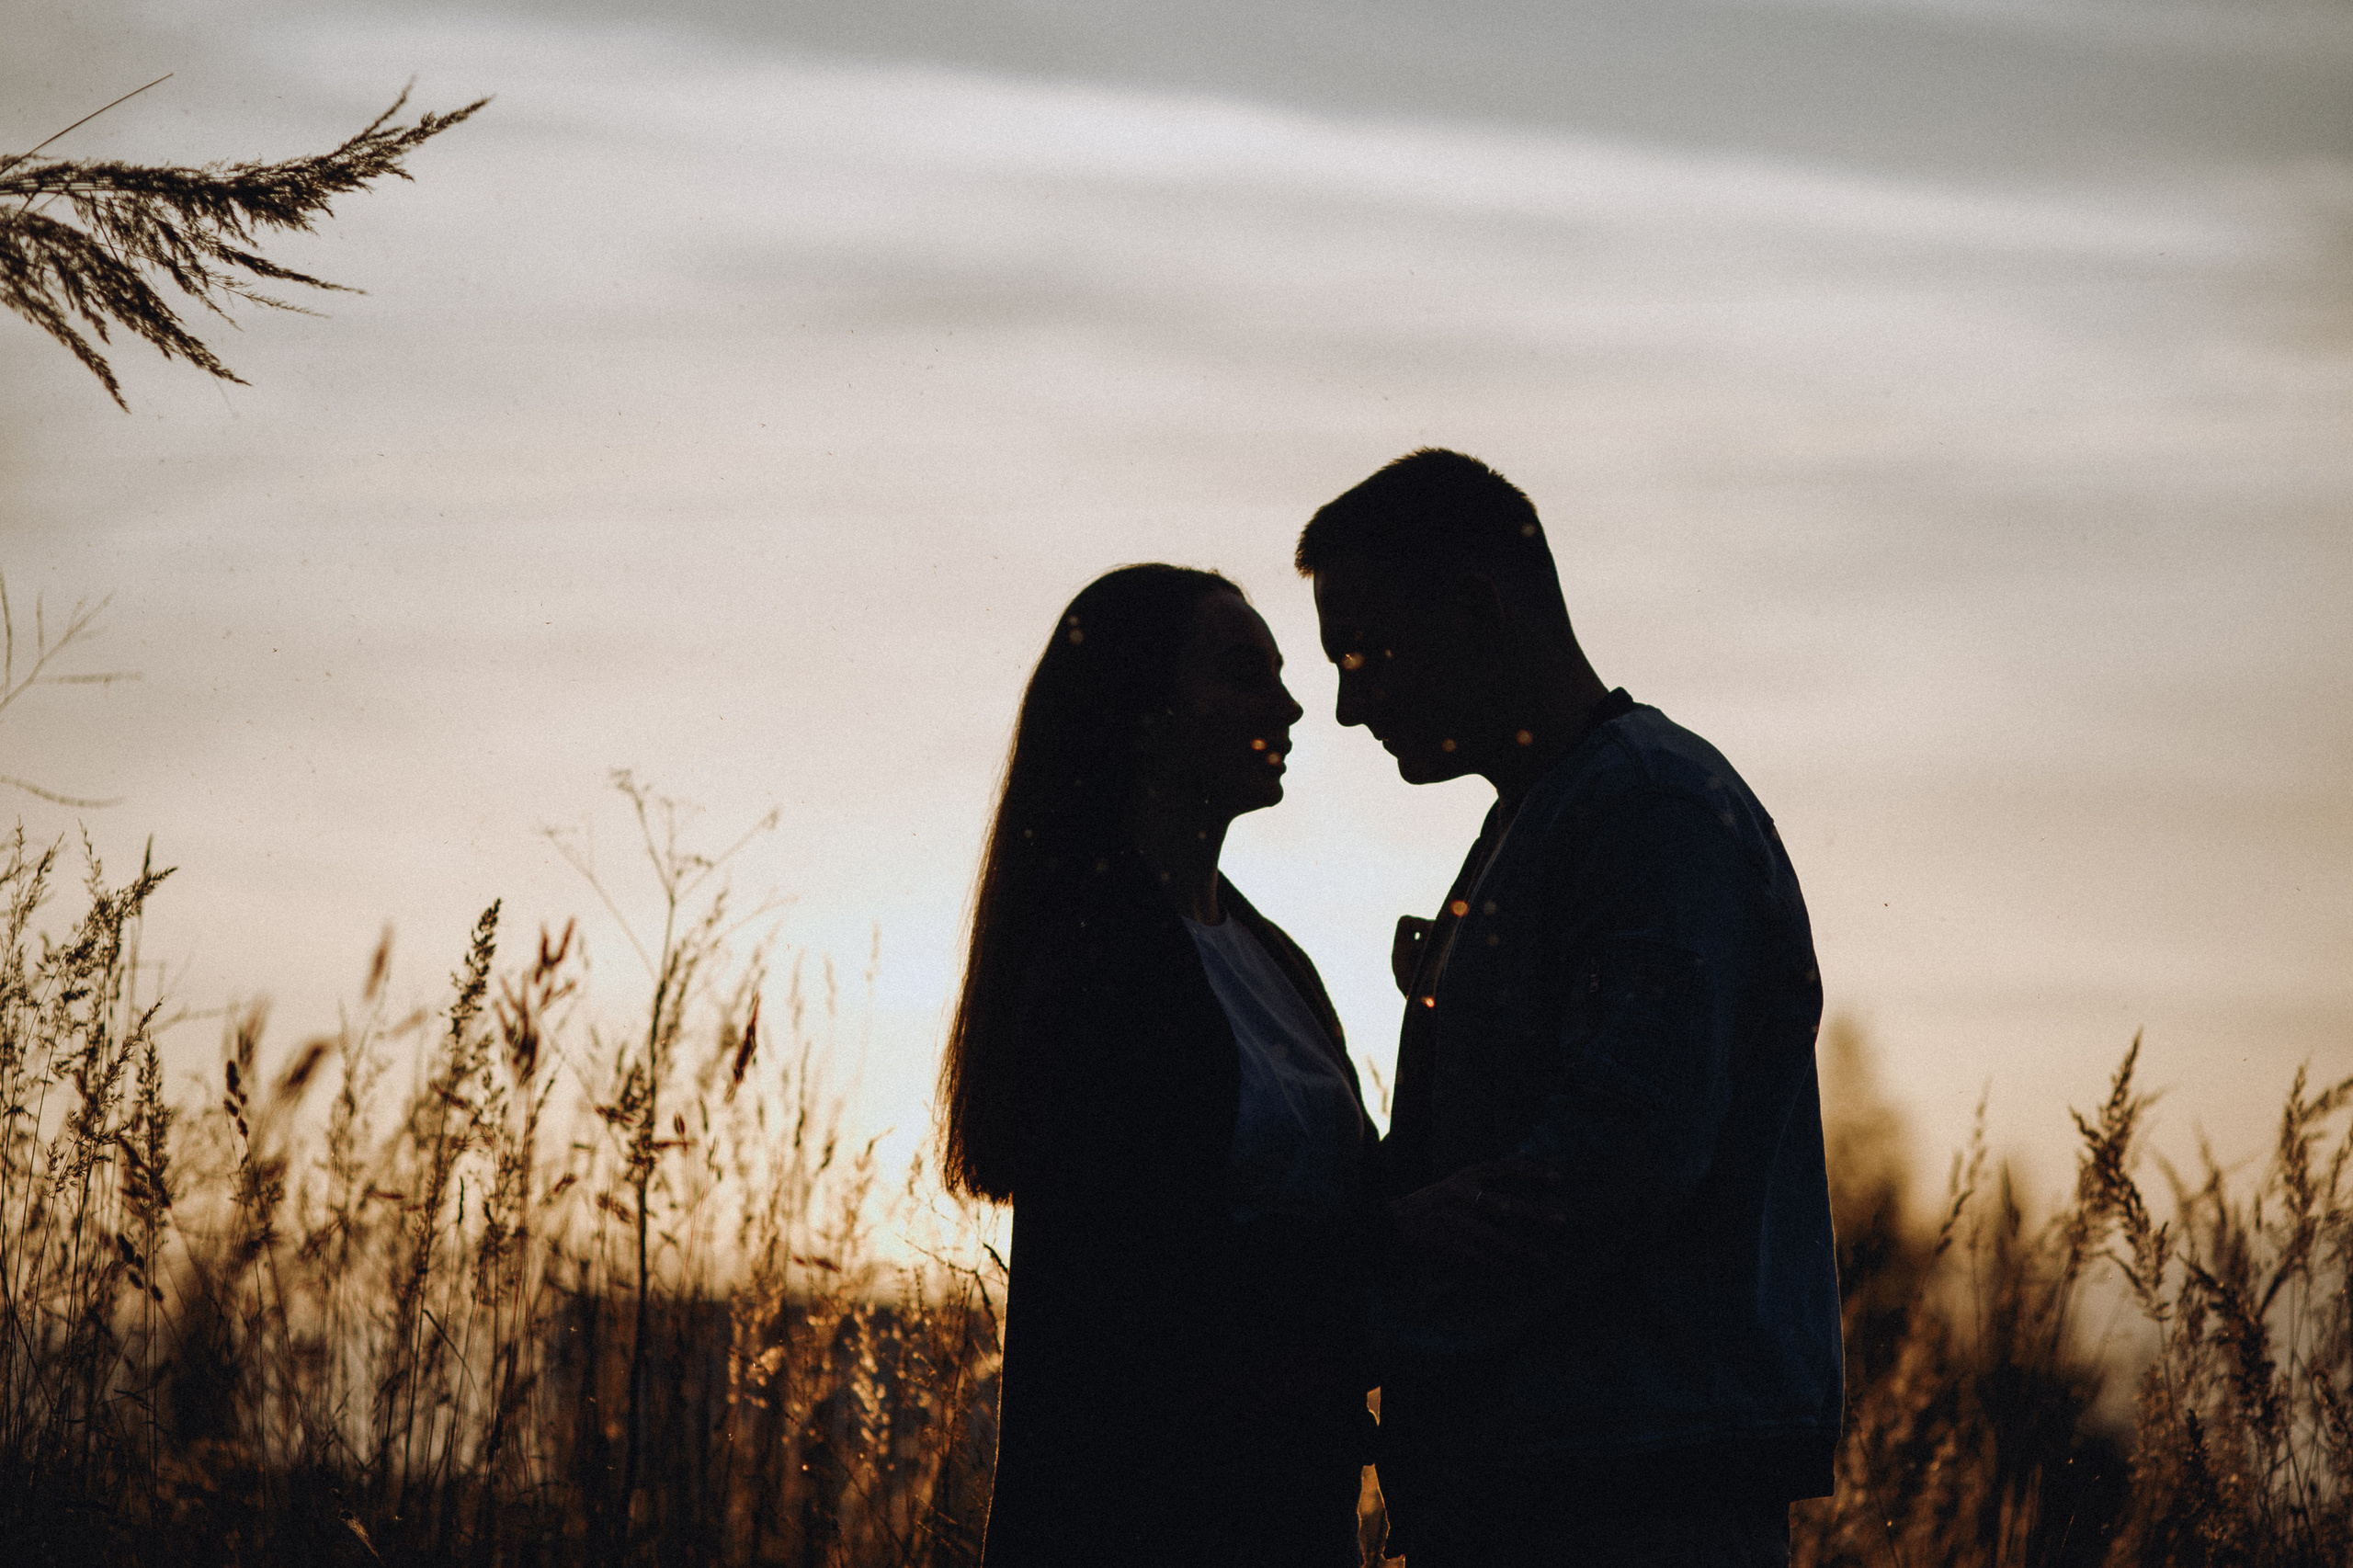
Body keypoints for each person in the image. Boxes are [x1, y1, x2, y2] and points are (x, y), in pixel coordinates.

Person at [1299, 450, 1844, 1566]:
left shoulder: (1643, 811)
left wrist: (1340, 1313)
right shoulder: (1562, 815)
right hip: (1571, 1471)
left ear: (1473, 608)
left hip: (1624, 1489)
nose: (1351, 705)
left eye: (1364, 652)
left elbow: (1609, 1163)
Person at [938, 563, 1381, 1567]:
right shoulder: (1099, 960)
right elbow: (1142, 1280)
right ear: (1138, 713)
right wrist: (1395, 1242)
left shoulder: (1269, 958)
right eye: (1240, 672)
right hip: (1154, 1516)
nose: (1291, 704)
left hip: (1283, 1503)